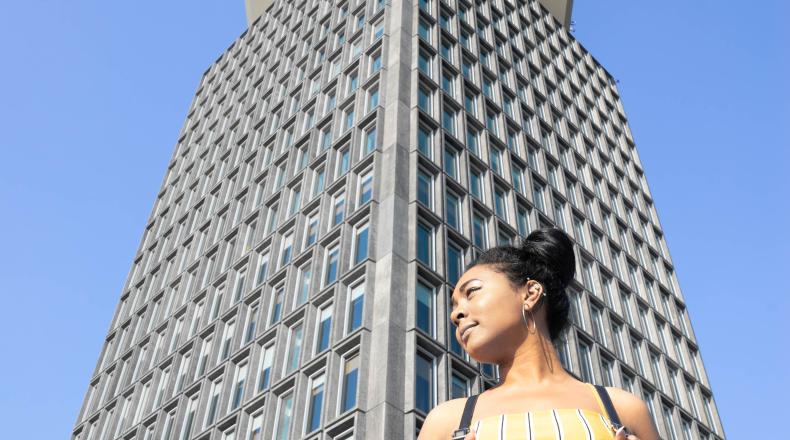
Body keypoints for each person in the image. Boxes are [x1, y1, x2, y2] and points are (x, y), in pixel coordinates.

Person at [417, 228, 659, 440]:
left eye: (471, 292)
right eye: (454, 305)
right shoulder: (446, 421)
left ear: (531, 293)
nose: (455, 314)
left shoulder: (622, 409)